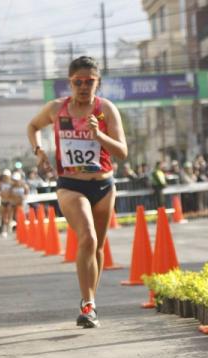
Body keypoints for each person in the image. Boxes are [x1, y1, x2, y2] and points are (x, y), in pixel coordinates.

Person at [27, 56, 127, 328]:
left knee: (97, 246)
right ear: (70, 83)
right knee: (87, 237)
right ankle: (88, 304)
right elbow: (33, 126)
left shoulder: (106, 110)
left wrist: (99, 136)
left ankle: (91, 299)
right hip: (71, 185)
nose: (83, 86)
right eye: (77, 82)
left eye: (89, 81)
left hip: (104, 185)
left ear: (98, 83)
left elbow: (122, 152)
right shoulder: (57, 109)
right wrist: (39, 152)